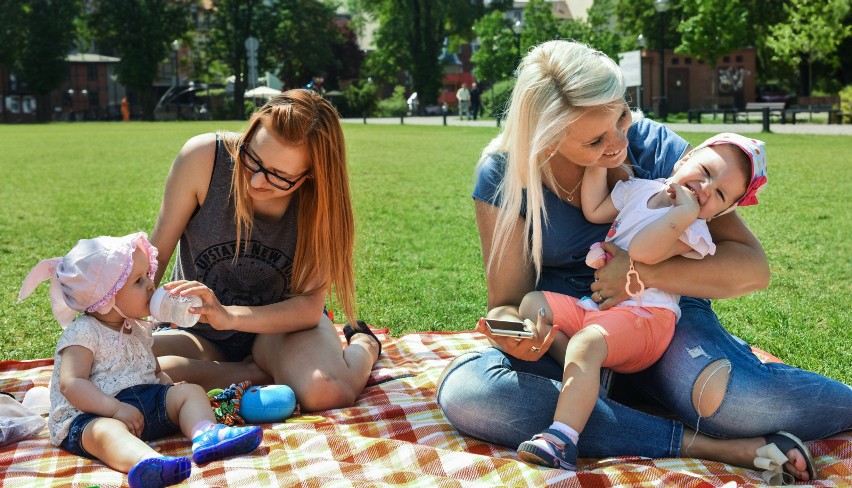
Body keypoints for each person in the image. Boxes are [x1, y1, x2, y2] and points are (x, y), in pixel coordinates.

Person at [437, 40, 851, 483]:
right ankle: (708, 445)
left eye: (621, 116)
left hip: (661, 318)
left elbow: (752, 267)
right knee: (470, 394)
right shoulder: (504, 175)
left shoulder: (661, 150)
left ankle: (629, 407)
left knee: (739, 402)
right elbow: (506, 300)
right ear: (546, 135)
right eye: (595, 140)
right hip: (571, 329)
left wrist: (642, 273)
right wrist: (519, 332)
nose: (619, 144)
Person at [516, 133, 768, 470]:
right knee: (533, 303)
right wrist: (599, 161)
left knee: (587, 343)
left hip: (646, 319)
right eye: (706, 171)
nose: (706, 188)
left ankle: (561, 440)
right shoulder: (640, 188)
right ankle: (589, 375)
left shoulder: (694, 230)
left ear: (722, 210)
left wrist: (684, 210)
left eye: (720, 194)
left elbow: (643, 252)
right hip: (602, 310)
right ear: (684, 159)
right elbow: (594, 209)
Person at [150, 89, 381, 412]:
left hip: (278, 332)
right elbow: (154, 257)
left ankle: (365, 345)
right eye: (252, 159)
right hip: (198, 332)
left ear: (311, 176)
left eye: (279, 177)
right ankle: (255, 374)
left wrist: (229, 315)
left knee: (327, 391)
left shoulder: (321, 205)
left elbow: (308, 308)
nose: (257, 181)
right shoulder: (203, 158)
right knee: (125, 371)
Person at [18, 233, 263, 488]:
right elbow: (71, 383)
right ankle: (147, 461)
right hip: (91, 414)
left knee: (190, 391)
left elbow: (153, 370)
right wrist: (114, 410)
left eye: (147, 275)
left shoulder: (139, 328)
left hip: (143, 404)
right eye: (138, 280)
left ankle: (206, 433)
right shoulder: (83, 333)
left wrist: (169, 390)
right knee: (105, 432)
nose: (150, 284)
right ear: (106, 298)